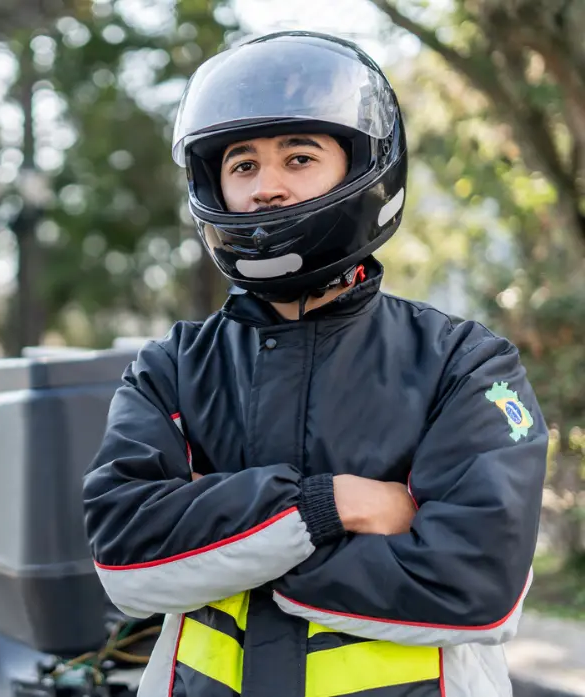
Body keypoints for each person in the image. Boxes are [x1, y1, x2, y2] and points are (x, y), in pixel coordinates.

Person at [82, 30, 547, 697]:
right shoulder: (171, 367)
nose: (266, 188)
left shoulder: (462, 362)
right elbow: (127, 558)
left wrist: (218, 548)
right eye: (242, 166)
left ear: (362, 167)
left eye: (298, 158)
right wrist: (332, 504)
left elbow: (476, 580)